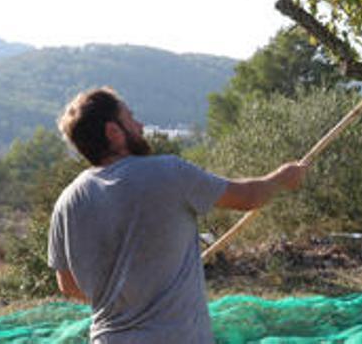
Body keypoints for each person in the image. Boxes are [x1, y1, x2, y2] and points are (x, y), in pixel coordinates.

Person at [48, 87, 307, 343]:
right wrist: (283, 178)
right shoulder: (169, 172)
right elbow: (249, 197)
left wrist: (124, 296)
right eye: (131, 118)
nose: (140, 126)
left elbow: (68, 286)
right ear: (114, 133)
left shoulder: (66, 202)